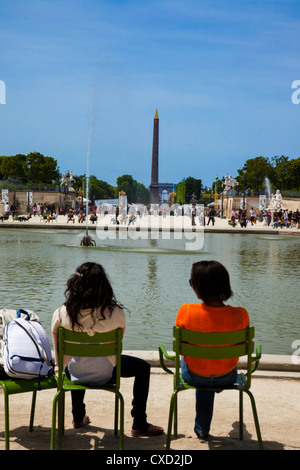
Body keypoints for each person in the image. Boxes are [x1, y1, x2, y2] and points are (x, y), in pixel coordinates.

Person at [51, 262, 163, 437]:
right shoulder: (117, 313)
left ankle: (78, 417)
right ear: (103, 285)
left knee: (76, 359)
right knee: (143, 368)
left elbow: (59, 350)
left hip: (74, 374)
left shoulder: (61, 313)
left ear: (75, 284)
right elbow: (117, 349)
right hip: (107, 372)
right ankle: (139, 423)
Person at [176, 260, 249, 439]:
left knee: (197, 362)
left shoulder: (186, 310)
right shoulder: (241, 314)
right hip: (226, 375)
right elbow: (240, 348)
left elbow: (182, 347)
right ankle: (213, 385)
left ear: (197, 286)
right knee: (213, 362)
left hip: (194, 375)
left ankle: (202, 429)